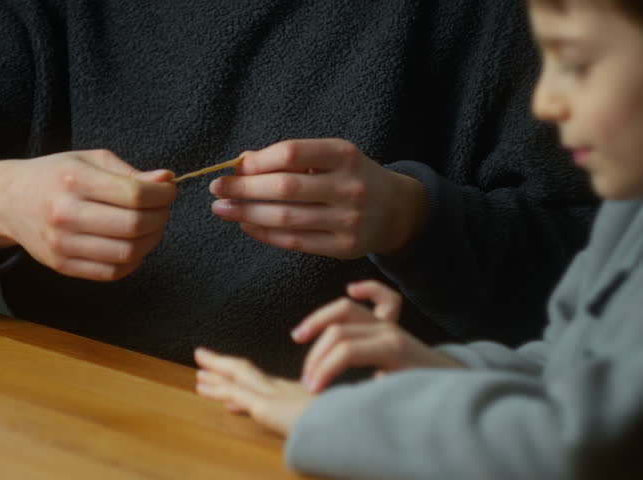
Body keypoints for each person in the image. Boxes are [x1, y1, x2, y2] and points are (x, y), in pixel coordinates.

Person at [0, 1, 594, 376]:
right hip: (72, 426)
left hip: (354, 441)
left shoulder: (502, 19)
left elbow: (600, 291)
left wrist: (411, 218)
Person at [195, 0, 643, 478]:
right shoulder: (629, 215)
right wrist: (438, 371)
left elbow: (583, 450)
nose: (543, 103)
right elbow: (567, 372)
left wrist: (341, 423)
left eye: (575, 63)